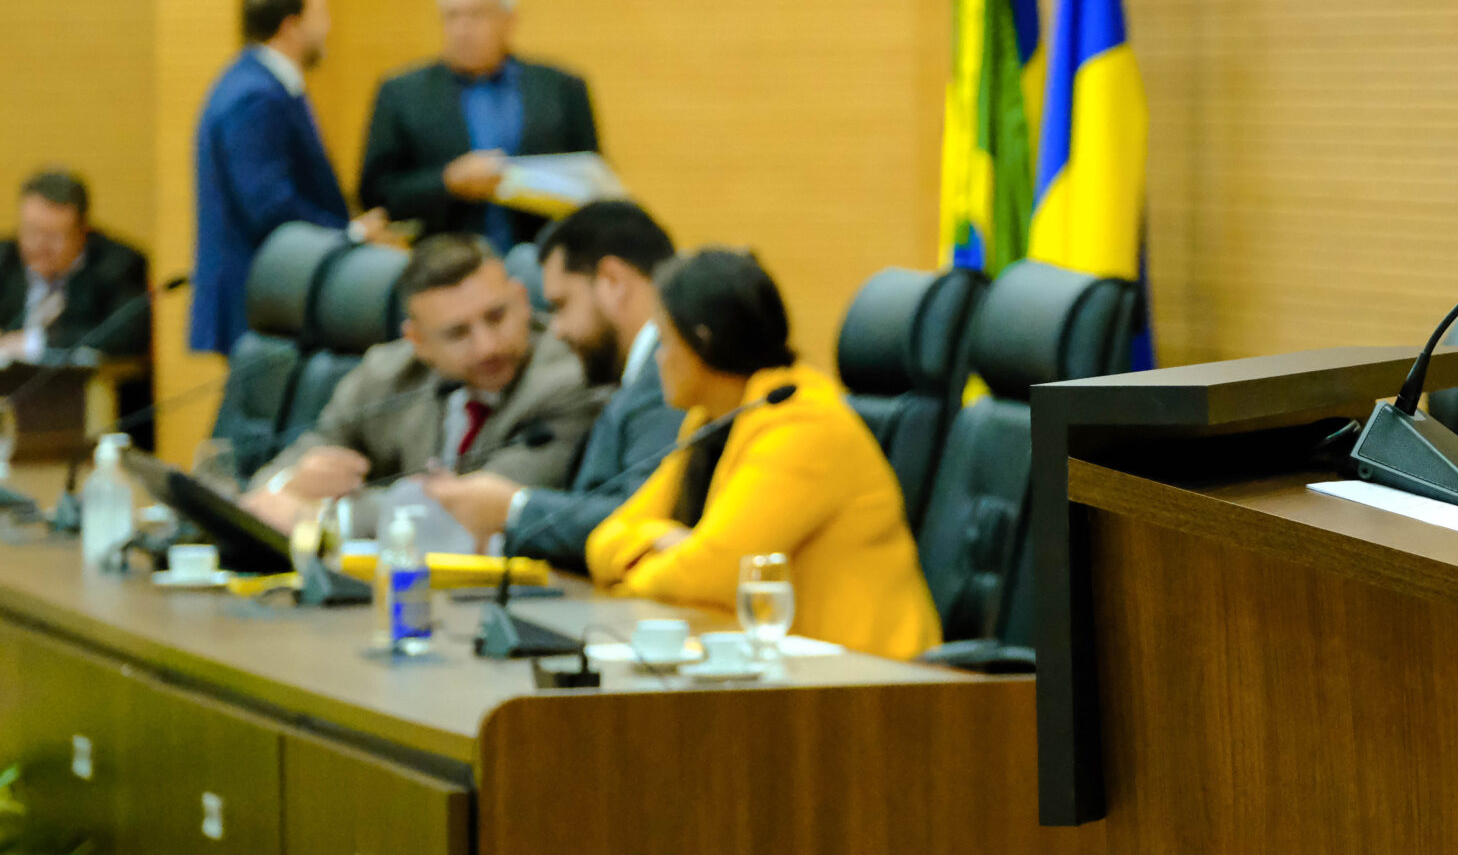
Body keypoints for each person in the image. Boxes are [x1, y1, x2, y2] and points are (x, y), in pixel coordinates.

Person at [587, 248, 939, 659]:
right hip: (790, 672)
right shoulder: (711, 422)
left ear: (702, 340)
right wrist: (661, 539)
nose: (658, 359)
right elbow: (602, 542)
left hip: (877, 680)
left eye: (664, 340)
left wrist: (641, 563)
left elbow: (710, 574)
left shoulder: (803, 425)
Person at [242, 233, 601, 533]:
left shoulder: (567, 380)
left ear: (521, 301)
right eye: (457, 333)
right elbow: (298, 461)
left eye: (496, 316)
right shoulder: (387, 374)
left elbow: (468, 512)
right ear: (418, 342)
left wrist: (314, 517)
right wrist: (286, 486)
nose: (487, 345)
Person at [422, 200, 685, 572]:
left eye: (562, 304)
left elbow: (640, 521)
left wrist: (514, 509)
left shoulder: (668, 376)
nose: (557, 330)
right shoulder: (641, 377)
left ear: (613, 281)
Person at [190, 0, 381, 357]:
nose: (328, 27)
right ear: (291, 26)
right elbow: (269, 207)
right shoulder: (255, 97)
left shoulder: (261, 85)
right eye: (321, 14)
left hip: (273, 293)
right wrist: (351, 237)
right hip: (265, 297)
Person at [357, 0, 602, 250]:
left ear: (509, 19)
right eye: (452, 16)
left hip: (540, 262)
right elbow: (374, 194)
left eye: (476, 15)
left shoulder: (561, 88)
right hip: (443, 263)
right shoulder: (402, 93)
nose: (462, 30)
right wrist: (446, 182)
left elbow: (594, 182)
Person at [0, 168, 150, 361]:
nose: (39, 245)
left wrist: (35, 343)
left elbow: (127, 337)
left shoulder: (119, 264)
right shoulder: (4, 258)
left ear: (82, 232)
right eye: (31, 231)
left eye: (53, 236)